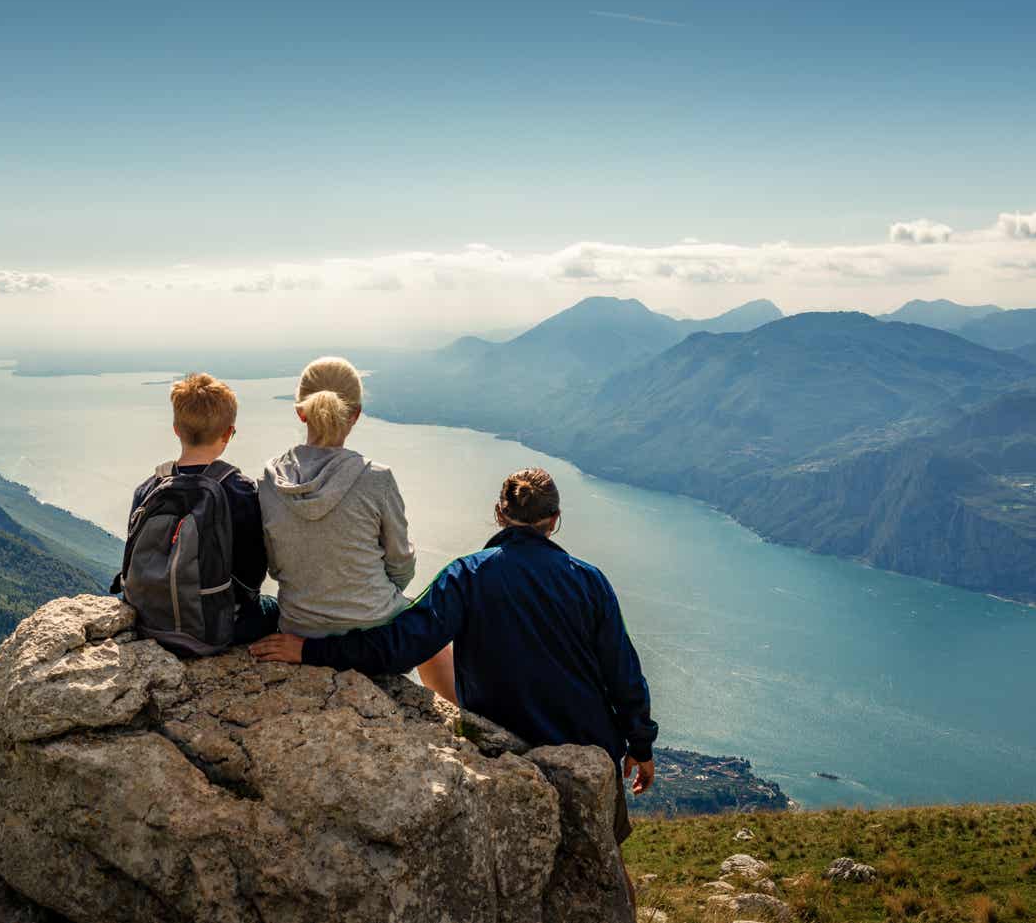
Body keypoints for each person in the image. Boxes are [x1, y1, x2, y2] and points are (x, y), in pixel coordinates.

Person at [251, 466, 657, 904]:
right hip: (589, 746)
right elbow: (623, 674)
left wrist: (310, 651)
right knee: (607, 868)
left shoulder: (468, 576)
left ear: (499, 514)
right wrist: (640, 744)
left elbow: (400, 645)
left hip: (507, 747)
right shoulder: (589, 580)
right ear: (554, 520)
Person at [257, 356, 455, 700]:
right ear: (356, 414)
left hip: (298, 629)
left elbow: (275, 566)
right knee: (431, 630)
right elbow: (401, 565)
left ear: (300, 412)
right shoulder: (376, 479)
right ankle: (464, 726)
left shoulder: (271, 479)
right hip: (372, 631)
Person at [127, 372, 277, 645]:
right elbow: (253, 574)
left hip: (150, 623)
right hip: (217, 627)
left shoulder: (149, 488)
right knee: (276, 609)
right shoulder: (241, 491)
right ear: (228, 433)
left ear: (176, 429)